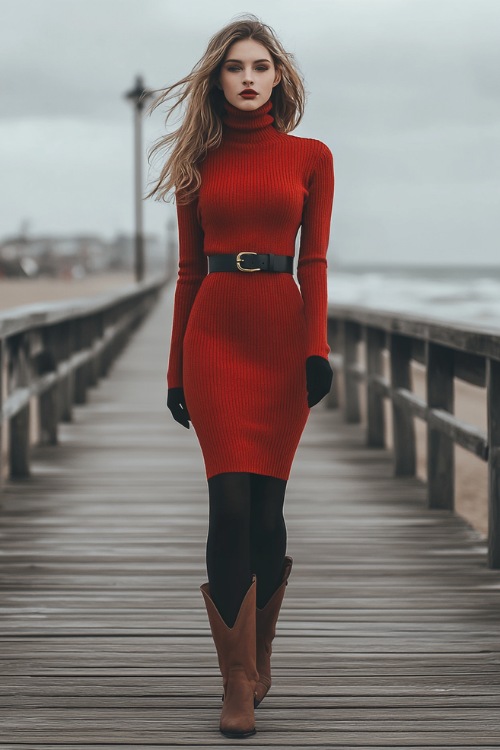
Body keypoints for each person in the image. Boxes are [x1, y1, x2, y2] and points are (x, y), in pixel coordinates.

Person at [146, 14, 334, 739]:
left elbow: (313, 262)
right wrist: (174, 371)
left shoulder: (312, 156)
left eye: (260, 66)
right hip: (215, 333)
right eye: (235, 67)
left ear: (278, 77)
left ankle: (258, 656)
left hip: (281, 336)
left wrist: (315, 349)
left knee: (266, 511)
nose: (248, 77)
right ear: (219, 79)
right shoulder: (200, 161)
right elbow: (189, 271)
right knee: (227, 505)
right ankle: (233, 685)